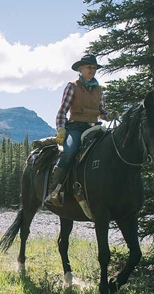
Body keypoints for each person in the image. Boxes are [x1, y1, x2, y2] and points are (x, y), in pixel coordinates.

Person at [46, 54, 118, 205]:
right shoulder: (72, 86)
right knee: (70, 151)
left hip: (95, 128)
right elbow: (62, 111)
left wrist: (110, 115)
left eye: (94, 68)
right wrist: (61, 129)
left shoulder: (99, 89)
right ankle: (54, 190)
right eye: (89, 67)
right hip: (76, 127)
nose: (92, 70)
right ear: (80, 69)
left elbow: (102, 112)